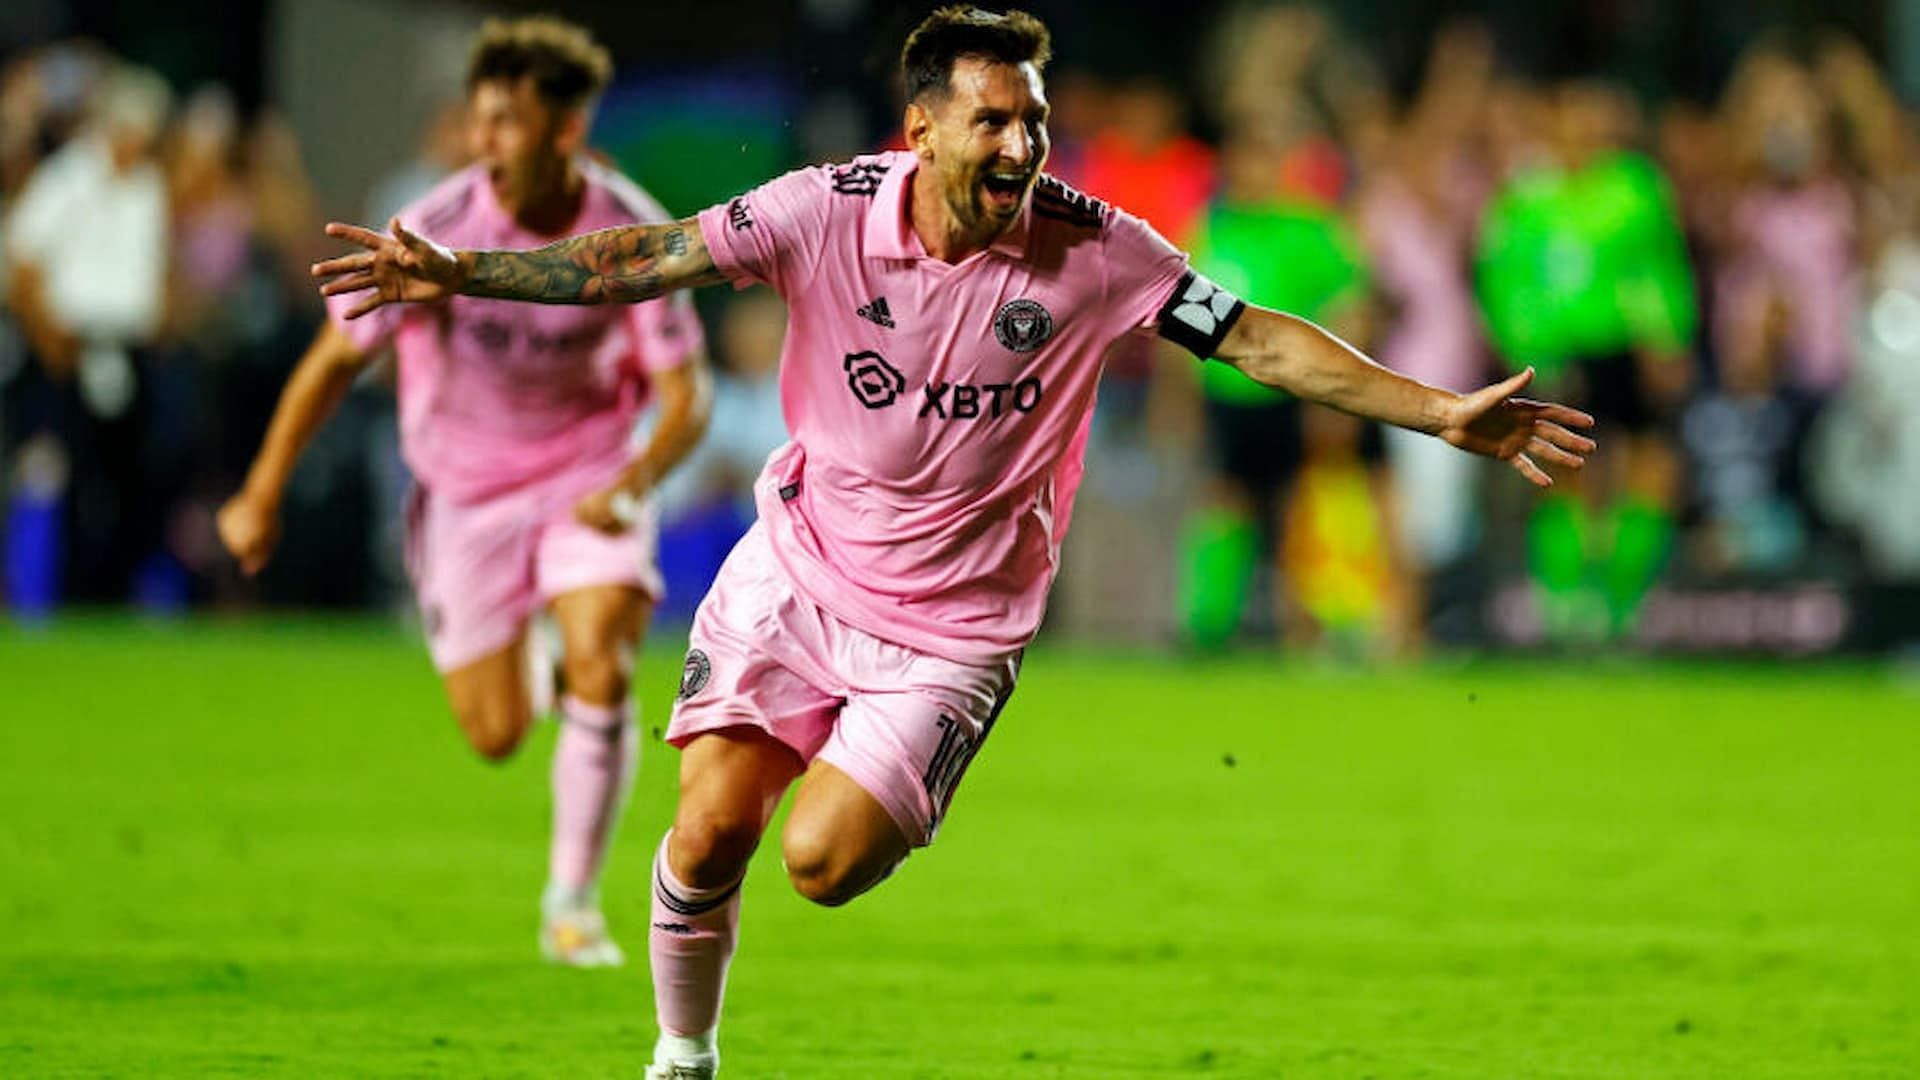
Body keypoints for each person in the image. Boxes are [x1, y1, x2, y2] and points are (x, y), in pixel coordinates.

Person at [311, 9, 1594, 1075]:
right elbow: (647, 256)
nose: (1025, 142)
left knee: (816, 862)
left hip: (955, 629)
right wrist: (467, 272)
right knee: (707, 836)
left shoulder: (1098, 249)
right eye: (996, 118)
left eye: (1034, 118)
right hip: (800, 570)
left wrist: (1439, 414)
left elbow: (1253, 336)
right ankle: (682, 1058)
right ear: (920, 127)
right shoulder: (820, 210)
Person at [218, 16, 711, 967]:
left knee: (604, 657)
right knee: (493, 735)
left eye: (505, 123)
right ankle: (535, 653)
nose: (482, 141)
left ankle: (572, 905)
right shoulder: (432, 232)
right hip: (464, 496)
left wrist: (634, 481)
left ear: (564, 131)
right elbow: (333, 361)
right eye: (479, 120)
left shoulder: (629, 234)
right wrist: (263, 488)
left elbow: (683, 397)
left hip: (585, 476)